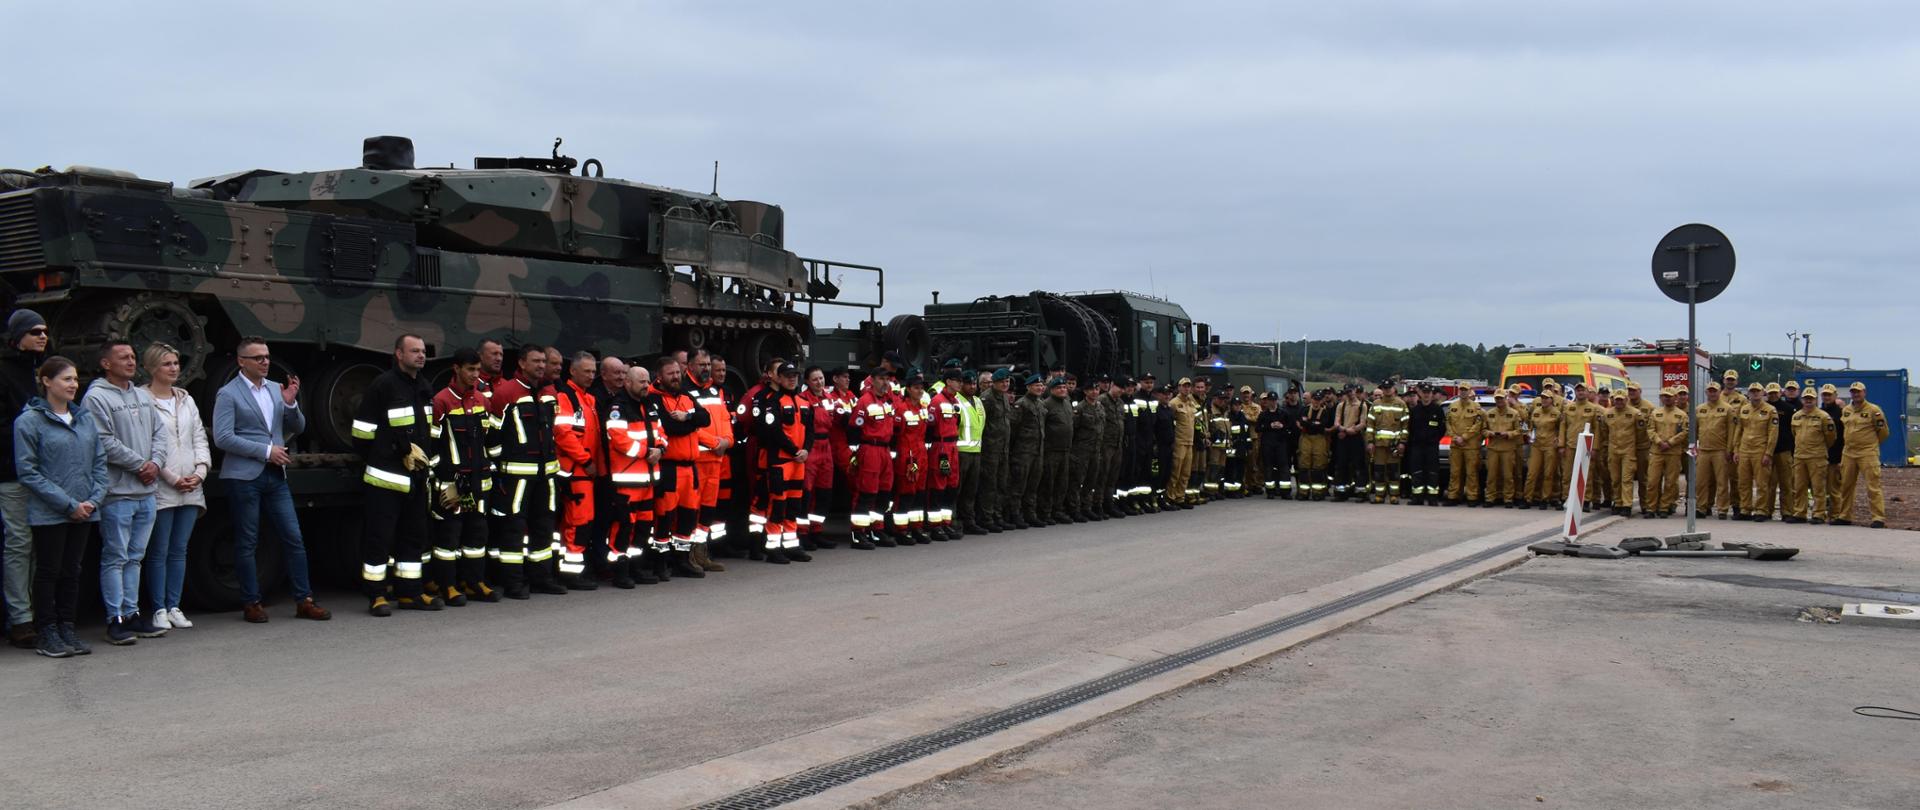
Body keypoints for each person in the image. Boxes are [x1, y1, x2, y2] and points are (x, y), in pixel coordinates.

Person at [213, 336, 330, 622]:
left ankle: (304, 600)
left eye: (266, 356)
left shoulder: (276, 390)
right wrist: (266, 451)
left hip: (275, 476)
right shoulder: (228, 394)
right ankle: (251, 602)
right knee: (247, 540)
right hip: (244, 476)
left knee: (293, 537)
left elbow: (298, 427)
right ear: (242, 361)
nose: (265, 362)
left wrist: (290, 405)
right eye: (258, 358)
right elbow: (223, 437)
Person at [15, 356, 107, 658]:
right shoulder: (29, 421)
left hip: (85, 511)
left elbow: (99, 463)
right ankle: (47, 632)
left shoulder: (84, 419)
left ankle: (68, 627)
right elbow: (28, 472)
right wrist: (68, 505)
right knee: (49, 571)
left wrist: (92, 501)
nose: (73, 384)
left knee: (73, 571)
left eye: (75, 379)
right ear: (46, 381)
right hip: (50, 513)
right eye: (66, 379)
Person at [86, 340, 169, 644]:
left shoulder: (142, 395)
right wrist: (140, 465)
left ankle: (132, 614)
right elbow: (103, 441)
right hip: (118, 493)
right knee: (116, 557)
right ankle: (115, 619)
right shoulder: (96, 397)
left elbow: (160, 433)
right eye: (123, 357)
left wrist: (156, 463)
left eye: (133, 356)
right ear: (106, 364)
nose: (131, 361)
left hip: (145, 493)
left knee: (135, 557)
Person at [355, 334, 441, 615]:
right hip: (385, 479)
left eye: (422, 350)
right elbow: (361, 434)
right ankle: (377, 596)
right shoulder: (383, 386)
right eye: (414, 351)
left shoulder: (424, 387)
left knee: (413, 538)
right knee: (379, 539)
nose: (420, 355)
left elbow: (429, 435)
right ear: (398, 354)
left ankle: (410, 594)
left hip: (416, 479)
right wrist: (391, 453)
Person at [484, 342, 568, 599]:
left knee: (544, 528)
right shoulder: (506, 393)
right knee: (514, 530)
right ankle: (513, 582)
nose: (542, 366)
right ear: (521, 363)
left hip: (546, 476)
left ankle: (541, 578)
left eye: (544, 362)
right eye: (536, 362)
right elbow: (492, 437)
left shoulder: (548, 393)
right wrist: (500, 469)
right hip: (516, 477)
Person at [142, 344, 209, 630]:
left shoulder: (186, 399)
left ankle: (174, 605)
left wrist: (201, 471)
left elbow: (199, 438)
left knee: (179, 549)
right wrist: (170, 477)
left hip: (191, 485)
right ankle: (158, 608)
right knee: (159, 549)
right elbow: (146, 445)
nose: (174, 368)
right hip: (163, 485)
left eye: (176, 363)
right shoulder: (142, 400)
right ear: (152, 368)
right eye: (167, 364)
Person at [427, 347, 497, 603]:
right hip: (452, 483)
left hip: (479, 481)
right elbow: (431, 446)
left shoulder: (482, 400)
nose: (475, 375)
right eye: (470, 369)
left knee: (477, 535)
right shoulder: (441, 401)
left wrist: (490, 467)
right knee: (449, 535)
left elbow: (488, 440)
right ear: (456, 369)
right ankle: (447, 585)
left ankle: (474, 582)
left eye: (478, 370)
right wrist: (442, 476)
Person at [1, 308, 49, 649]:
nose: (43, 336)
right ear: (17, 337)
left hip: (48, 476)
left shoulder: (45, 372)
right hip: (13, 473)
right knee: (19, 545)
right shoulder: (5, 372)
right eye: (35, 331)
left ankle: (42, 613)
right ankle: (20, 618)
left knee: (43, 547)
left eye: (45, 330)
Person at [647, 356, 711, 575]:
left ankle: (682, 560)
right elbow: (671, 427)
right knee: (664, 516)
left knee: (689, 515)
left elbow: (706, 418)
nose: (676, 377)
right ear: (660, 376)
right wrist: (688, 422)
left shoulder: (686, 396)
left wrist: (688, 416)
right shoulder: (653, 398)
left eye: (677, 372)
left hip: (690, 467)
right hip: (669, 467)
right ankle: (660, 562)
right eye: (670, 374)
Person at [750, 363, 813, 563]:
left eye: (794, 375)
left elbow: (810, 430)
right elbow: (773, 432)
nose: (792, 379)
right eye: (787, 375)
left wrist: (806, 451)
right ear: (779, 377)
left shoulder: (803, 402)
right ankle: (773, 548)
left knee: (794, 505)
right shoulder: (772, 401)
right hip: (780, 461)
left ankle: (791, 545)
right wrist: (795, 451)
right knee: (777, 505)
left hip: (798, 463)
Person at [552, 352, 604, 590]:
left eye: (594, 371)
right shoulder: (567, 397)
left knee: (579, 523)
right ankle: (571, 574)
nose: (591, 376)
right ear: (572, 371)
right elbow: (564, 434)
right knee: (577, 523)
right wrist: (586, 461)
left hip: (585, 471)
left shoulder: (587, 398)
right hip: (577, 471)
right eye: (587, 371)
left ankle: (571, 570)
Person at [688, 350, 732, 569]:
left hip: (715, 461)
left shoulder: (714, 390)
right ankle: (688, 556)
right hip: (697, 459)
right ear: (690, 366)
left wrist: (727, 441)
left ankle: (701, 553)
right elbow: (691, 427)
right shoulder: (685, 391)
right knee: (691, 511)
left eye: (708, 364)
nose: (706, 368)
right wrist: (716, 444)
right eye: (701, 364)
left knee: (707, 510)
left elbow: (725, 419)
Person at [849, 368, 897, 547]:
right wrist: (856, 455)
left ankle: (876, 529)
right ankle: (858, 533)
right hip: (870, 449)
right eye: (881, 379)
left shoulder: (887, 402)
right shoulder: (865, 401)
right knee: (867, 493)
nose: (885, 383)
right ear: (873, 380)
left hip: (884, 451)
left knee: (884, 493)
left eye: (887, 379)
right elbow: (854, 427)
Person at [1836, 381, 1889, 528]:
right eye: (1853, 392)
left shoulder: (1874, 410)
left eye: (1858, 391)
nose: (1855, 394)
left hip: (1867, 452)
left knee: (1873, 485)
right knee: (1846, 485)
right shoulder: (1846, 410)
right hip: (1849, 452)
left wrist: (1871, 445)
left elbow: (1883, 432)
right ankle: (1845, 516)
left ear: (1864, 393)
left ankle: (1878, 517)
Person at [1787, 390, 1836, 524]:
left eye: (1811, 399)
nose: (1808, 401)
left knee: (1818, 487)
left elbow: (1831, 438)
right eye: (1806, 399)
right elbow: (1794, 434)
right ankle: (1800, 513)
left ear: (1815, 400)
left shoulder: (1824, 417)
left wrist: (1820, 449)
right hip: (1800, 456)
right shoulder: (1796, 416)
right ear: (1802, 400)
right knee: (1799, 486)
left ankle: (1819, 514)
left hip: (1817, 456)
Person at [1733, 383, 1778, 524]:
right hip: (1744, 450)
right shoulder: (1744, 409)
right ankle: (1745, 509)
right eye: (1752, 391)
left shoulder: (1770, 410)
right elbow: (1738, 431)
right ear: (1749, 394)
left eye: (1758, 391)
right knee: (1743, 482)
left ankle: (1761, 510)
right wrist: (1736, 450)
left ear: (1763, 393)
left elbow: (1773, 433)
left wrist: (1768, 453)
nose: (1755, 394)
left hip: (1760, 450)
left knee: (1762, 483)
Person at [1009, 374, 1049, 526]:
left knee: (1033, 485)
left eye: (1041, 385)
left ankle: (1030, 513)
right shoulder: (1021, 404)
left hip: (1037, 451)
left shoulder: (1040, 404)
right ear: (1028, 387)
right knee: (1019, 485)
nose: (1040, 388)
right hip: (1023, 452)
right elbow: (1013, 430)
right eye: (1036, 386)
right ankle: (1015, 514)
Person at [1693, 382, 1736, 519]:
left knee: (1722, 482)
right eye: (1710, 391)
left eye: (1715, 391)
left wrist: (1729, 450)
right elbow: (1693, 431)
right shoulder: (1699, 409)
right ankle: (1702, 507)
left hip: (1720, 450)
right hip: (1703, 450)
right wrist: (1693, 449)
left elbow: (1731, 431)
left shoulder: (1727, 409)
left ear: (1719, 392)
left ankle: (1722, 509)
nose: (1712, 393)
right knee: (1701, 481)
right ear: (1706, 392)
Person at [1646, 388, 1690, 519]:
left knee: (1671, 482)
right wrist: (1659, 442)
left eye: (1670, 396)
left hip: (1673, 452)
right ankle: (1651, 507)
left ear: (1675, 398)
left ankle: (1664, 507)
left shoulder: (1681, 415)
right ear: (1661, 398)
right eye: (1664, 396)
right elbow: (1650, 430)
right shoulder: (1655, 413)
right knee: (1653, 481)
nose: (1667, 398)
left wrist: (1670, 443)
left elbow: (1684, 432)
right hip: (1657, 451)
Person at [954, 371, 988, 533]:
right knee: (957, 489)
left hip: (976, 451)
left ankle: (969, 520)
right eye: (969, 384)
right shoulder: (956, 401)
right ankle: (954, 520)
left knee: (971, 490)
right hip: (961, 452)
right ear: (961, 385)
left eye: (974, 384)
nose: (972, 387)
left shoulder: (978, 401)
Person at [978, 370, 1011, 531]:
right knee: (989, 485)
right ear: (995, 383)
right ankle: (987, 518)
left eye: (1007, 381)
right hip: (990, 448)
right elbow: (982, 423)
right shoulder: (987, 398)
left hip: (1003, 448)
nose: (1005, 384)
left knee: (1001, 483)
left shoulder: (1004, 397)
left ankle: (997, 516)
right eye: (1002, 382)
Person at [1600, 390, 1643, 517]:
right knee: (1615, 479)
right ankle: (1617, 502)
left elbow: (1640, 432)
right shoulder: (1608, 414)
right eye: (1616, 399)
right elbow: (1604, 431)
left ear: (1626, 400)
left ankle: (1627, 505)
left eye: (1621, 399)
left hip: (1628, 451)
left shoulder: (1635, 414)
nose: (1618, 402)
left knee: (1627, 479)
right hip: (1613, 450)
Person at [1364, 382, 1407, 505]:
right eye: (1385, 388)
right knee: (1379, 471)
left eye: (1389, 388)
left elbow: (1405, 426)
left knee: (1393, 471)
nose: (1387, 390)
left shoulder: (1401, 404)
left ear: (1394, 389)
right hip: (1379, 445)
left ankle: (1394, 496)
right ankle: (1379, 496)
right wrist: (1370, 442)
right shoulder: (1376, 404)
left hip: (1394, 445)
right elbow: (1370, 425)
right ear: (1382, 389)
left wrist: (1402, 442)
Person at [1521, 385, 1563, 509]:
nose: (1544, 400)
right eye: (1542, 398)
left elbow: (1561, 429)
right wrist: (1528, 434)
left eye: (1547, 398)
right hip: (1537, 445)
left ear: (1552, 400)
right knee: (1532, 473)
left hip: (1550, 445)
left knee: (1548, 474)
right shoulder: (1536, 412)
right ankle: (1527, 498)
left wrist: (1559, 440)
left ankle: (1545, 499)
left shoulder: (1557, 414)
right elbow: (1529, 426)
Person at [1443, 386, 1486, 507]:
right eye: (1461, 390)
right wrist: (1455, 437)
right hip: (1455, 444)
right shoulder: (1452, 406)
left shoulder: (1476, 407)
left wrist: (1464, 437)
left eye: (1465, 390)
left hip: (1470, 445)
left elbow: (1477, 426)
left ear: (1469, 392)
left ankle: (1472, 497)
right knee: (1455, 472)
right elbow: (1448, 423)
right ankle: (1453, 496)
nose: (1463, 392)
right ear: (1458, 391)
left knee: (1471, 472)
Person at [1483, 389, 1525, 507]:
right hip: (1493, 448)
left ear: (1506, 398)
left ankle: (1508, 499)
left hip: (1508, 448)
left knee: (1508, 476)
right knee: (1491, 475)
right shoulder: (1489, 413)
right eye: (1497, 398)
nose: (1499, 400)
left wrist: (1508, 434)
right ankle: (1490, 498)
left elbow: (1520, 430)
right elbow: (1483, 430)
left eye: (1501, 398)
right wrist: (1489, 434)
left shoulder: (1514, 413)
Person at [1405, 385, 1445, 506]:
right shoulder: (1415, 410)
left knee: (1432, 472)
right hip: (1417, 446)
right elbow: (1410, 428)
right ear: (1420, 394)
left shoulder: (1437, 409)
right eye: (1424, 392)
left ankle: (1432, 498)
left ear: (1431, 394)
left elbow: (1442, 428)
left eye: (1428, 392)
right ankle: (1417, 497)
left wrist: (1434, 439)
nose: (1426, 395)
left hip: (1431, 446)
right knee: (1417, 472)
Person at [1332, 386, 1368, 502]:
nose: (1349, 394)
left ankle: (1361, 492)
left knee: (1359, 465)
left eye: (1351, 392)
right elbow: (1336, 422)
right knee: (1341, 465)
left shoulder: (1362, 405)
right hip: (1344, 437)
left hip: (1356, 437)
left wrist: (1352, 430)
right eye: (1347, 392)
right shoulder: (1341, 405)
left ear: (1355, 392)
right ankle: (1341, 492)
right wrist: (1344, 430)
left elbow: (1363, 423)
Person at [1297, 389, 1332, 501]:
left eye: (1318, 399)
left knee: (1319, 464)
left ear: (1321, 400)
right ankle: (1303, 492)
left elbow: (1322, 425)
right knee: (1304, 463)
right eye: (1314, 399)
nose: (1316, 402)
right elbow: (1303, 422)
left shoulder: (1325, 412)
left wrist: (1310, 423)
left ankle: (1317, 492)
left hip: (1319, 439)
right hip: (1306, 437)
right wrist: (1314, 423)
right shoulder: (1305, 409)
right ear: (1311, 400)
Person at [1819, 383, 1847, 522]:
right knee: (1819, 489)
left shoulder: (1842, 414)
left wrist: (1842, 457)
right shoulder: (1818, 412)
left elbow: (1846, 436)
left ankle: (1836, 515)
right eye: (1824, 395)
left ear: (1835, 396)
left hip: (1836, 456)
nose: (1827, 397)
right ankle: (1820, 514)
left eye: (1829, 395)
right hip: (1819, 456)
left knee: (1834, 489)